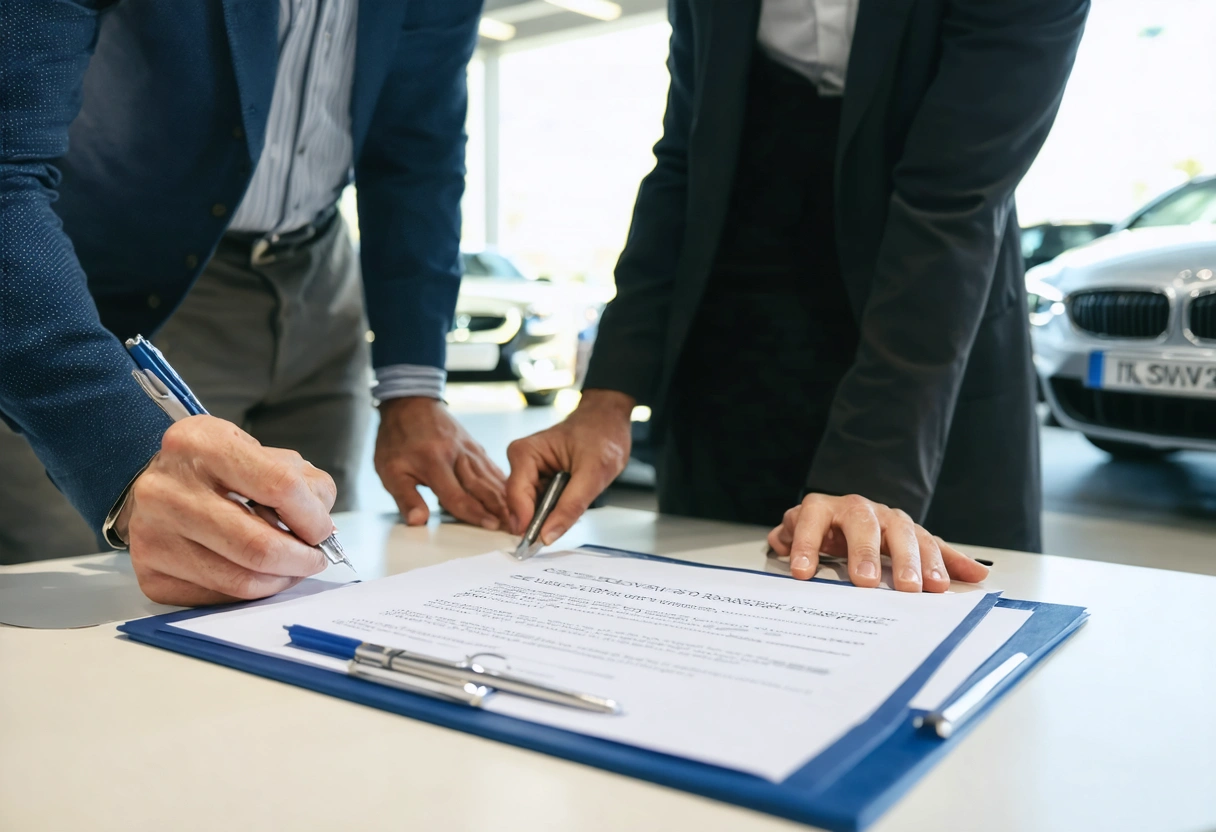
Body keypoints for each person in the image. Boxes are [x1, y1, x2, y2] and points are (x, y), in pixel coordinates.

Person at [505, 0, 1089, 591]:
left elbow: (950, 205)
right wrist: (606, 402)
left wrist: (869, 477)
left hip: (920, 357)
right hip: (737, 354)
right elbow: (685, 158)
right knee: (702, 624)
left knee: (921, 632)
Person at [0, 0, 507, 604]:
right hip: (117, 283)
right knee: (93, 594)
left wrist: (412, 386)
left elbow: (418, 154)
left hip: (322, 274)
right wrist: (121, 454)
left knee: (297, 578)